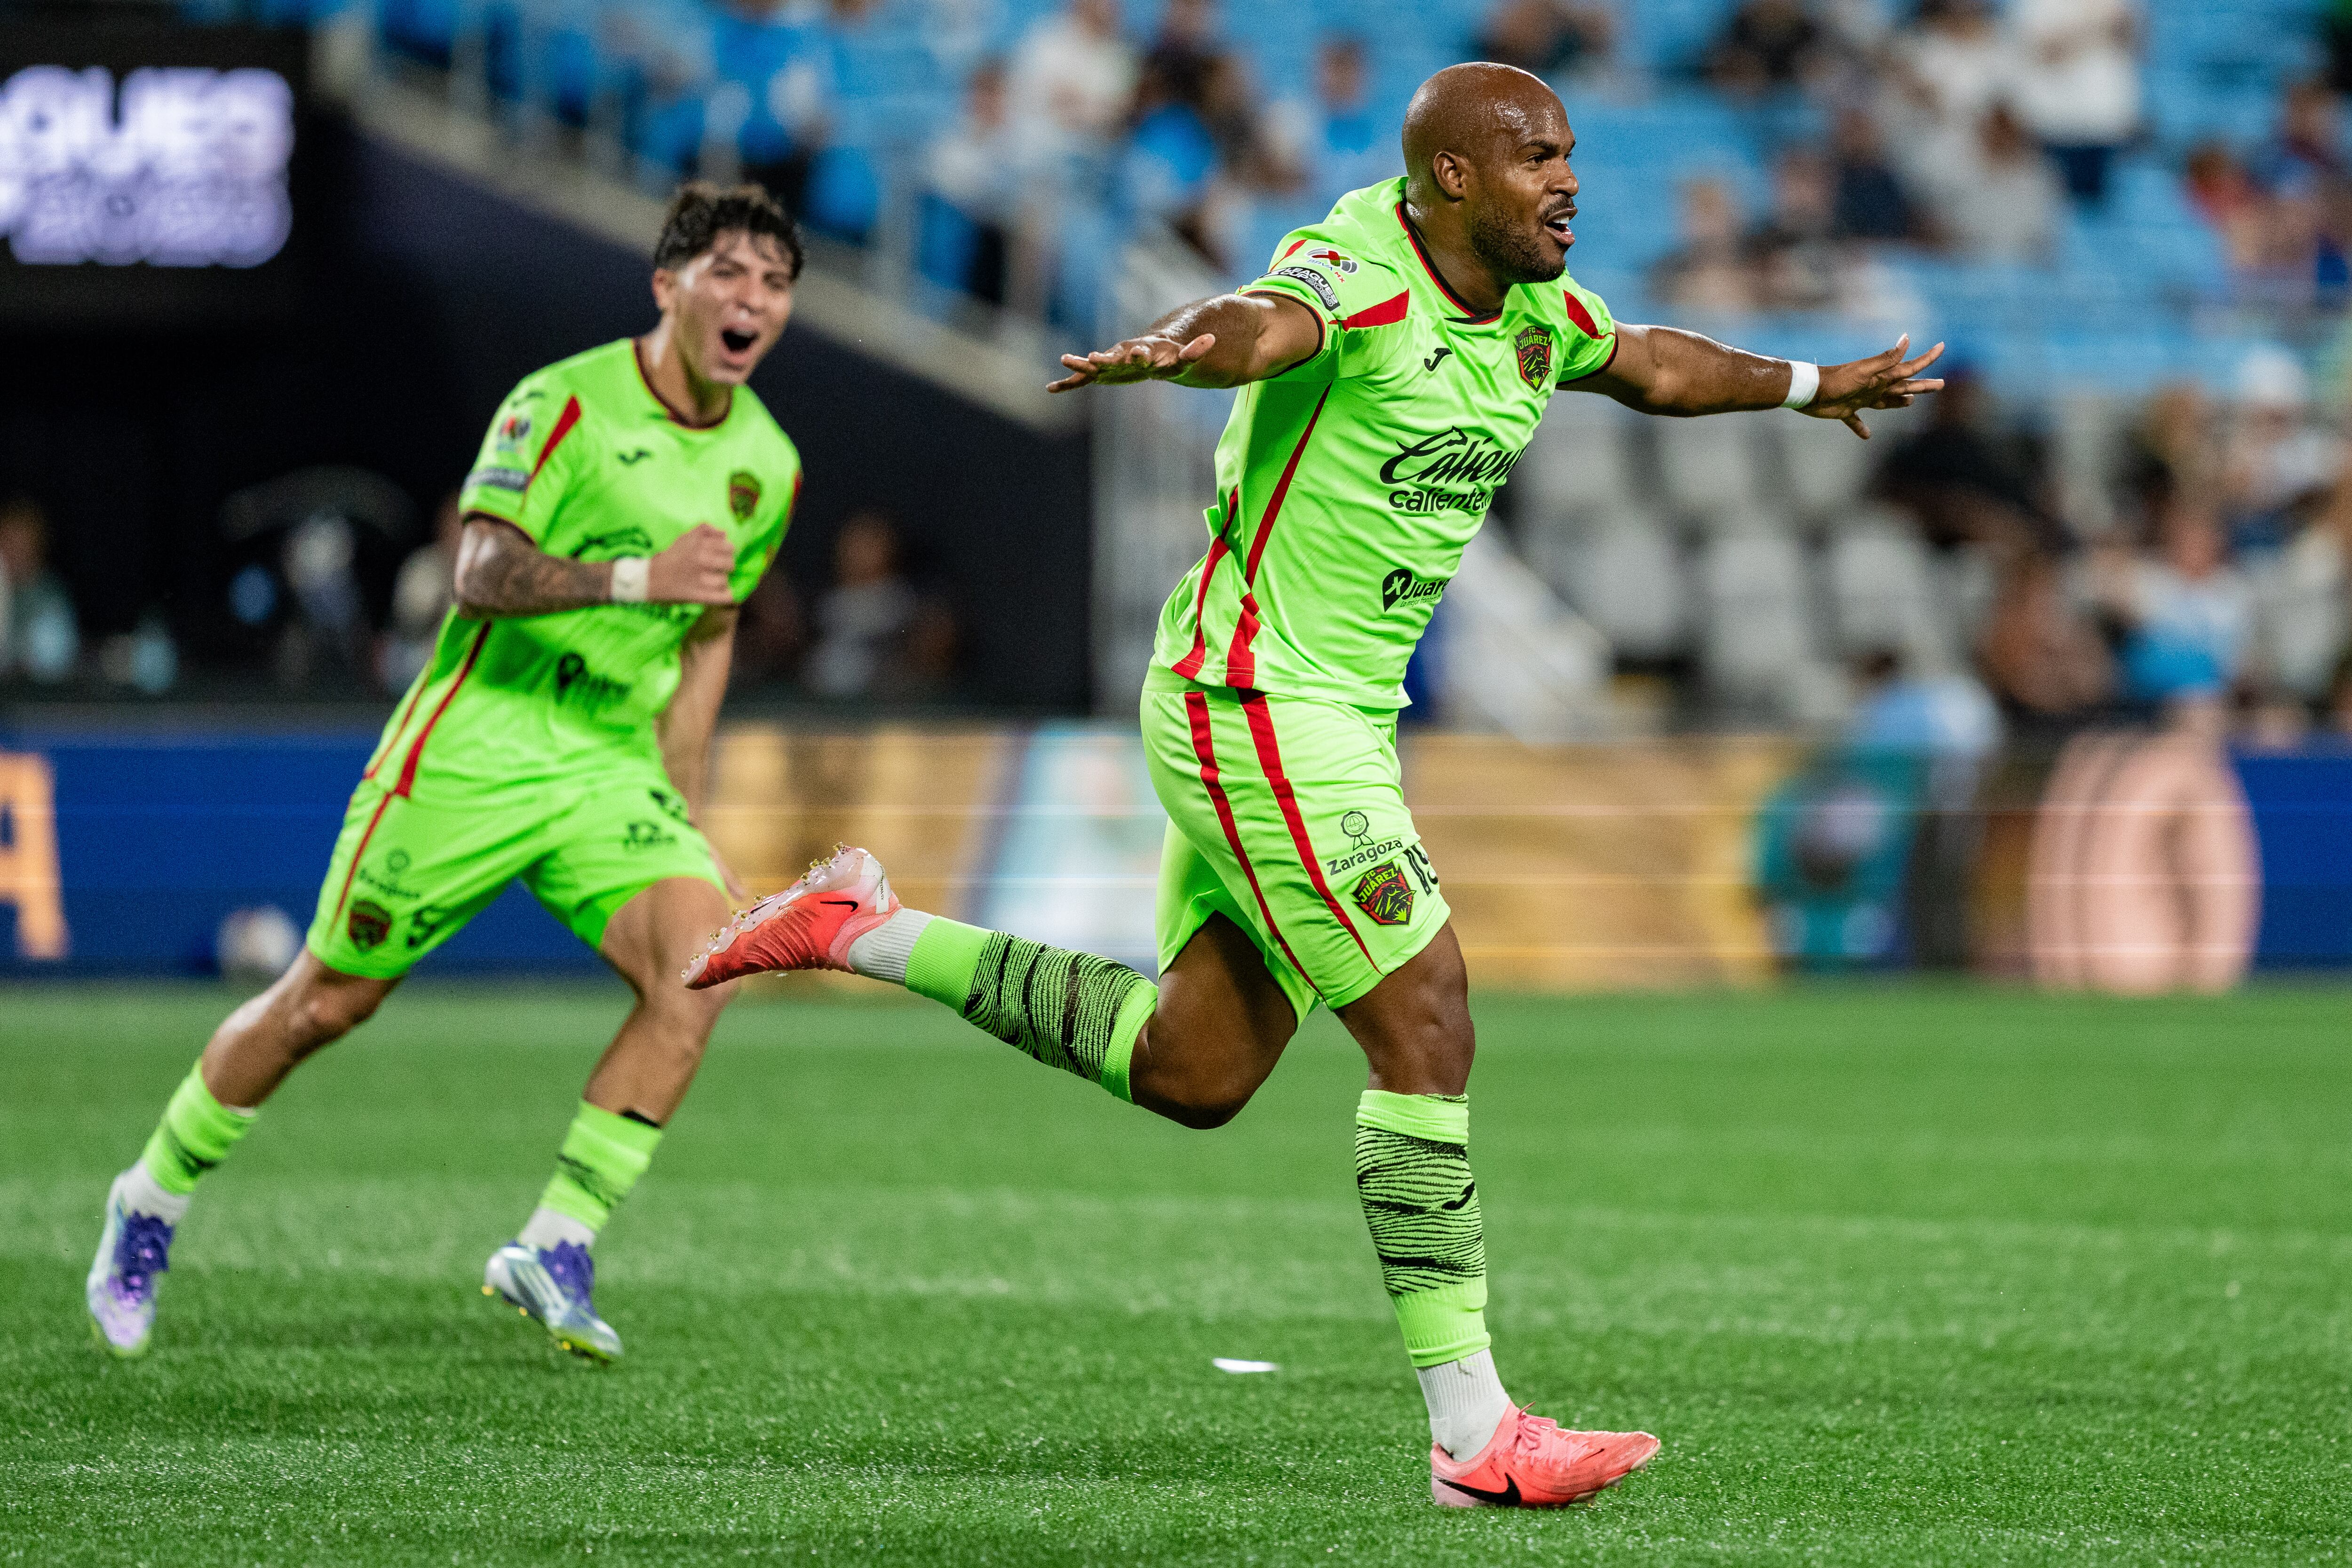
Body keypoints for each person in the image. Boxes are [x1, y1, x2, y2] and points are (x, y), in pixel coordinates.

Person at [687, 63, 1942, 1507]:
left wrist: (1812, 384)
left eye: (1574, 154)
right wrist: (1182, 344)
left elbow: (1655, 362)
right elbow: (1265, 325)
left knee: (1194, 1070)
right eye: (1538, 156)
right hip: (1254, 707)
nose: (1570, 181)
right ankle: (1474, 1433)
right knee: (1429, 1019)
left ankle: (861, 928)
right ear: (1453, 178)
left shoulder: (1536, 312)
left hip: (1324, 721)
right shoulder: (1358, 269)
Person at [84, 183, 805, 1364]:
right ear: (667, 287)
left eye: (774, 285)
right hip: (482, 736)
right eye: (728, 274)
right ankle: (150, 1197)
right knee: (328, 1000)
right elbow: (475, 566)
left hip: (611, 759)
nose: (753, 302)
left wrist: (681, 792)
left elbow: (711, 627)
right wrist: (634, 578)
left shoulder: (765, 460)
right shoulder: (563, 402)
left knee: (704, 966)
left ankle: (558, 1242)